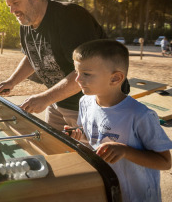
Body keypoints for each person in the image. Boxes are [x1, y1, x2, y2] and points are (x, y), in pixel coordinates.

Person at [0, 0, 107, 130]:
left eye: (15, 3)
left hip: (91, 104)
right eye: (9, 5)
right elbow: (32, 56)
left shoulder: (70, 17)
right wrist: (11, 82)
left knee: (89, 154)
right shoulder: (26, 25)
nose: (12, 10)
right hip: (57, 102)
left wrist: (45, 98)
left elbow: (88, 71)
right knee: (56, 152)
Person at [69, 39, 172, 202]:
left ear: (115, 79)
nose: (77, 79)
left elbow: (165, 162)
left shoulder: (140, 115)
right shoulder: (85, 102)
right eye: (77, 72)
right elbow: (92, 136)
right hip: (108, 191)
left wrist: (125, 151)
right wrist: (78, 134)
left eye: (86, 74)